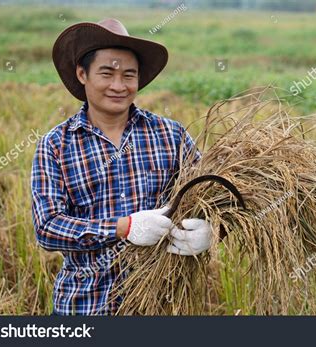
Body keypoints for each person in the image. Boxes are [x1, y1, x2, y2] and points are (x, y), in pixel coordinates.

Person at [31, 18, 212, 315]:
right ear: (82, 74)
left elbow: (210, 195)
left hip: (162, 303)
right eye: (107, 73)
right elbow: (47, 228)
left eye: (129, 75)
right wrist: (123, 228)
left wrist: (210, 230)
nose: (119, 86)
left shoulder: (171, 135)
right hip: (85, 305)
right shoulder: (56, 146)